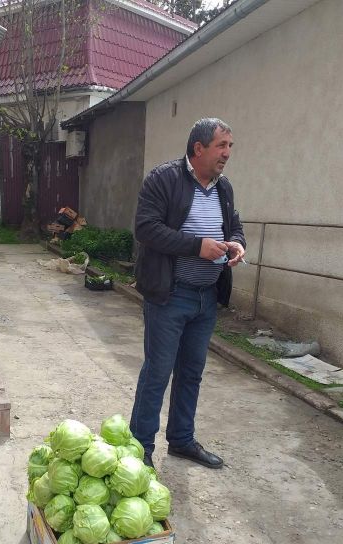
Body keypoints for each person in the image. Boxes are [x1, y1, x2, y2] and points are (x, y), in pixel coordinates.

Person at [130, 118, 246, 470]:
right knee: (158, 372)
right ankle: (140, 450)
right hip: (170, 295)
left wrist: (237, 244)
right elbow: (146, 229)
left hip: (205, 296)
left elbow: (235, 225)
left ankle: (181, 439)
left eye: (229, 146)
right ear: (199, 149)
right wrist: (197, 247)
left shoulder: (223, 188)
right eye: (221, 146)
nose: (227, 153)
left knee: (192, 372)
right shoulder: (163, 179)